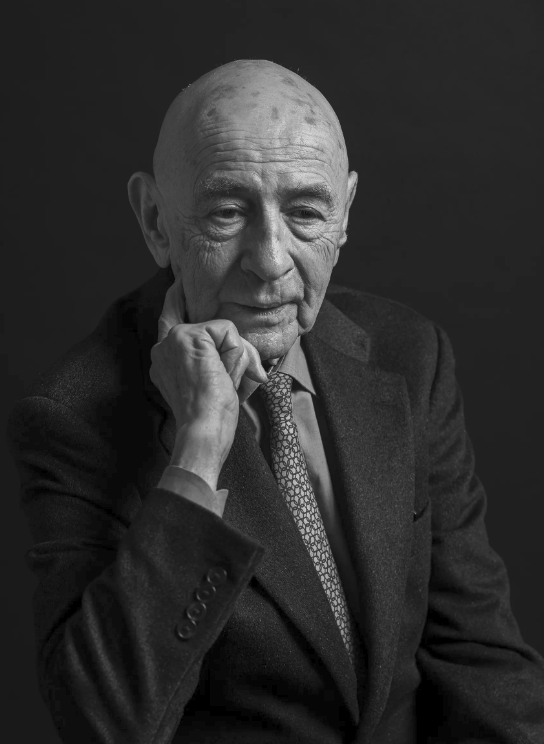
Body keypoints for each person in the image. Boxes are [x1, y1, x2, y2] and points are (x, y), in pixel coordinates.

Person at [7, 59, 544, 744]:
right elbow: (104, 723)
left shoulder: (410, 355)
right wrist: (198, 450)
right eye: (227, 212)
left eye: (306, 213)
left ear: (345, 213)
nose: (270, 260)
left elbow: (480, 658)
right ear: (155, 221)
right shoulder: (73, 416)